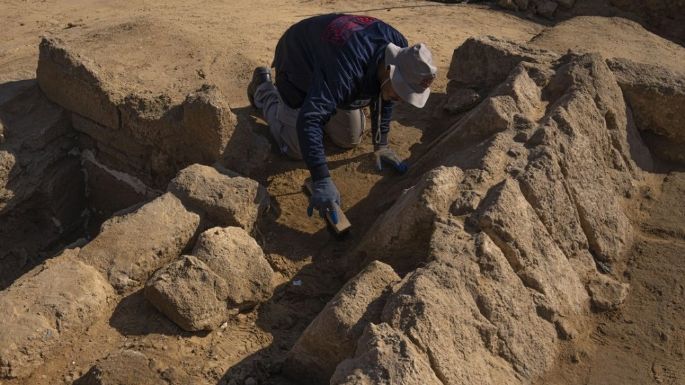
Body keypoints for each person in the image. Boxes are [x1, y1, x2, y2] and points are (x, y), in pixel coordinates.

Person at [247, 13, 437, 223]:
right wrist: (321, 179)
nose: (401, 99)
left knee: (349, 138)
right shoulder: (347, 70)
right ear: (390, 70)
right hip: (299, 60)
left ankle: (325, 99)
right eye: (401, 91)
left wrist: (381, 144)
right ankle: (263, 89)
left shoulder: (401, 51)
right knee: (296, 147)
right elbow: (309, 120)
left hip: (330, 64)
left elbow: (387, 96)